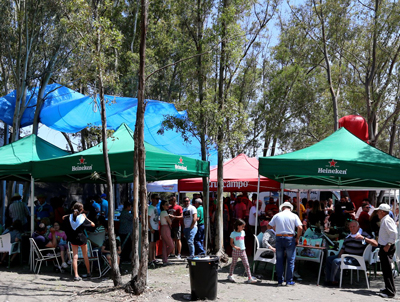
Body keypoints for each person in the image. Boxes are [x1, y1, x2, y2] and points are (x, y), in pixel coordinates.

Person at [325, 220, 377, 286]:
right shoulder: (348, 236)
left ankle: (335, 281)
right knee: (329, 259)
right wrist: (339, 256)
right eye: (350, 227)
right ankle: (329, 279)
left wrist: (363, 238)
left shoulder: (363, 234)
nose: (352, 228)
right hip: (346, 256)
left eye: (354, 226)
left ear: (358, 227)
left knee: (336, 261)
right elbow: (343, 248)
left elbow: (375, 243)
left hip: (356, 258)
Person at [269, 201, 303, 286]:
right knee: (290, 260)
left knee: (279, 260)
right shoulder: (294, 215)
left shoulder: (277, 215)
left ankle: (280, 280)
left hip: (279, 237)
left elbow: (269, 226)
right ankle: (289, 280)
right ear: (290, 208)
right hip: (290, 237)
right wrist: (297, 237)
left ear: (283, 208)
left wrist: (275, 229)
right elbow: (300, 227)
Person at [63, 202, 95, 281]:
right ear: (82, 210)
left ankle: (76, 275)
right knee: (85, 255)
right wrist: (86, 217)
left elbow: (63, 217)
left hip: (73, 238)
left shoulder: (69, 217)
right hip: (82, 238)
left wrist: (70, 214)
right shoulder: (82, 218)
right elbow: (93, 224)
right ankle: (88, 272)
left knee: (75, 256)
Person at [376, 204, 398, 298]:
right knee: (385, 269)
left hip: (387, 247)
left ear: (382, 211)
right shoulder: (385, 219)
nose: (377, 213)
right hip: (385, 246)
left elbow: (394, 233)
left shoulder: (387, 220)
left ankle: (390, 292)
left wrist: (388, 244)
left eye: (378, 211)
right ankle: (388, 288)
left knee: (387, 270)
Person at [227, 219, 258, 283]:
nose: (243, 228)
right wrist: (235, 247)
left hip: (243, 251)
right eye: (242, 226)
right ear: (238, 226)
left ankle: (249, 278)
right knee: (233, 263)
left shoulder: (243, 232)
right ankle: (230, 275)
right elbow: (231, 243)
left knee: (246, 264)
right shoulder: (233, 233)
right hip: (235, 251)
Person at [159, 200, 174, 265]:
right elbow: (170, 222)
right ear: (163, 206)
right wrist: (171, 218)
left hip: (163, 228)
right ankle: (164, 257)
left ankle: (165, 260)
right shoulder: (164, 212)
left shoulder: (163, 212)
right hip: (166, 229)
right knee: (171, 245)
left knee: (164, 245)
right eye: (166, 205)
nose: (168, 206)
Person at [148, 194, 160, 264]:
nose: (157, 200)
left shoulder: (155, 208)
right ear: (152, 199)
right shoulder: (150, 208)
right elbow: (148, 218)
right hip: (152, 228)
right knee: (151, 244)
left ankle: (153, 258)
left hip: (156, 227)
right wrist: (150, 228)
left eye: (158, 199)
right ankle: (150, 259)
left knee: (154, 244)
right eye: (156, 198)